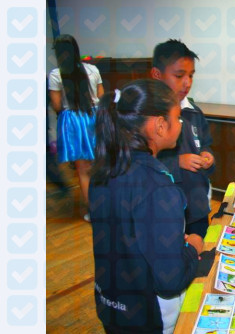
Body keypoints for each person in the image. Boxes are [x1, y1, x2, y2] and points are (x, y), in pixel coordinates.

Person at [89, 79, 204, 333]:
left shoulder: (103, 171)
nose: (182, 123)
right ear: (160, 125)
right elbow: (170, 281)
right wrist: (191, 246)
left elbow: (129, 233)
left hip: (111, 304)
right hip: (149, 314)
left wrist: (169, 241)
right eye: (178, 117)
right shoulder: (159, 187)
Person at [151, 39, 215, 237]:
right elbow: (137, 164)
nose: (187, 83)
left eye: (191, 75)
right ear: (157, 75)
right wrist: (176, 162)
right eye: (179, 76)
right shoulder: (147, 117)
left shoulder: (194, 112)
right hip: (164, 212)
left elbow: (206, 144)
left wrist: (208, 157)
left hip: (197, 207)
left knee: (200, 254)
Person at [48, 34, 104, 221]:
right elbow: (101, 96)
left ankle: (93, 211)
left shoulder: (56, 75)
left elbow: (56, 105)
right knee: (102, 165)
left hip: (73, 121)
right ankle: (108, 204)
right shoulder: (93, 70)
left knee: (83, 170)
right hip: (95, 117)